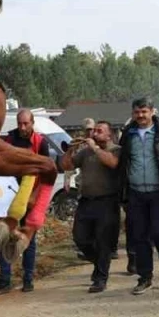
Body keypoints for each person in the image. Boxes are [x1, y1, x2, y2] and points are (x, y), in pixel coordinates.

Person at [119, 97, 159, 295]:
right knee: (139, 237)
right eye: (137, 112)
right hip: (136, 193)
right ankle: (145, 277)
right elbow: (122, 162)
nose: (140, 116)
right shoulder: (128, 136)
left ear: (152, 112)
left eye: (144, 112)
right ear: (133, 113)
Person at [60, 120, 122, 293]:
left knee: (104, 241)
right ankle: (100, 263)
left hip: (107, 201)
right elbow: (67, 165)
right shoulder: (85, 152)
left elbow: (112, 163)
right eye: (94, 130)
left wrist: (95, 147)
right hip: (86, 200)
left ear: (109, 135)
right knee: (80, 238)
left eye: (99, 130)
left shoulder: (115, 150)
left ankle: (100, 278)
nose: (94, 133)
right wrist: (70, 149)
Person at [0, 109, 54, 292]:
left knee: (28, 239)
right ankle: (4, 279)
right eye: (20, 123)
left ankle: (28, 279)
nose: (22, 127)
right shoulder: (8, 140)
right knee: (4, 236)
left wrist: (35, 196)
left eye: (26, 124)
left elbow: (46, 173)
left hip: (30, 197)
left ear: (32, 123)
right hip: (8, 196)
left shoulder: (40, 143)